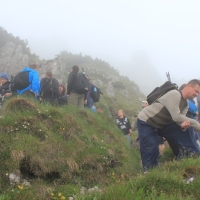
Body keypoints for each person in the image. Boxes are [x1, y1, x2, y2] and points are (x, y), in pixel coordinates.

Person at [137, 79, 200, 172]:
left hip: (161, 124)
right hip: (147, 121)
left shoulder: (186, 103)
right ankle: (148, 174)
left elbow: (179, 120)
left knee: (185, 130)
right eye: (196, 91)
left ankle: (186, 155)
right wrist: (196, 124)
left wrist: (183, 125)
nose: (197, 94)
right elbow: (176, 117)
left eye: (198, 93)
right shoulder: (175, 94)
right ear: (189, 86)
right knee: (150, 148)